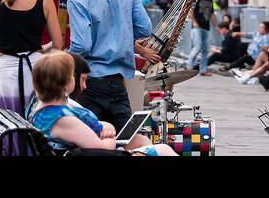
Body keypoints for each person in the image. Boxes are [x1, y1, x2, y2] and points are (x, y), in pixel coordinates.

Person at [43, 0, 156, 133]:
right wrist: (121, 36)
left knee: (89, 140)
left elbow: (82, 46)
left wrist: (61, 59)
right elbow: (145, 28)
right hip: (119, 81)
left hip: (91, 84)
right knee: (126, 140)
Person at [27, 52, 174, 156]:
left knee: (146, 143)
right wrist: (109, 132)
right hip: (101, 151)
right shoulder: (63, 119)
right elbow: (102, 150)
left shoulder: (39, 106)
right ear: (64, 83)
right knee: (163, 150)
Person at [185, 0, 214, 76]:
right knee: (197, 47)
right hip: (197, 27)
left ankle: (203, 70)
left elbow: (212, 14)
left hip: (206, 27)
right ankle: (189, 67)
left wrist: (217, 26)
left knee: (205, 49)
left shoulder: (210, 0)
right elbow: (190, 10)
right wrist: (194, 22)